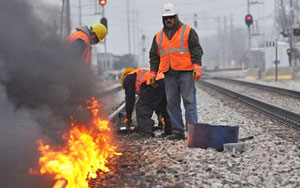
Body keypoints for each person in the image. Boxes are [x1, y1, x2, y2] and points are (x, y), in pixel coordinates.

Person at [149, 2, 204, 140]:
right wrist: (153, 73)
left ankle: (193, 133)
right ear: (163, 19)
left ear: (176, 17)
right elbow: (154, 56)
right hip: (169, 74)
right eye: (166, 18)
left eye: (171, 17)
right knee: (172, 104)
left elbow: (196, 49)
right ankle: (178, 132)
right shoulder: (158, 36)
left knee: (189, 103)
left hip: (185, 72)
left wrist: (197, 66)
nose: (168, 20)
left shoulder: (188, 31)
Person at [120, 67, 172, 137]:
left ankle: (146, 132)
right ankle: (170, 131)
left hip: (154, 82)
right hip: (164, 80)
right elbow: (156, 101)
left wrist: (128, 117)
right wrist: (159, 116)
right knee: (164, 106)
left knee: (142, 106)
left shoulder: (128, 78)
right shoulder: (139, 74)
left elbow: (130, 99)